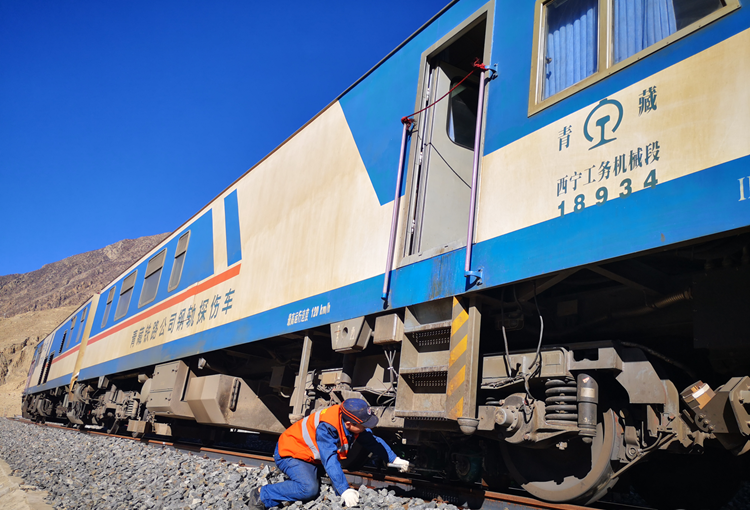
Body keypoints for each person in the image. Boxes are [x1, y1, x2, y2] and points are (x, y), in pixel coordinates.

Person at [248, 398, 409, 509]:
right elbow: (329, 459)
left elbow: (372, 441)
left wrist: (394, 459)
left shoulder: (350, 421)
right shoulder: (327, 427)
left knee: (320, 482)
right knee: (309, 489)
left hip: (307, 456)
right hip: (290, 453)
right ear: (349, 424)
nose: (368, 427)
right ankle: (263, 494)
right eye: (364, 424)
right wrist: (344, 489)